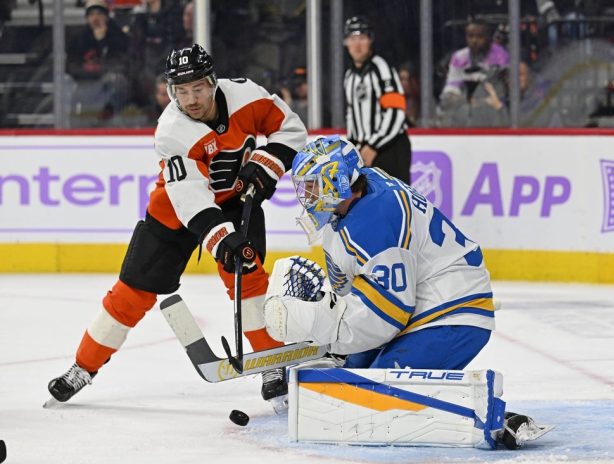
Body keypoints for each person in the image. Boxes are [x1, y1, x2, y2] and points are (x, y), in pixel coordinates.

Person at [48, 44, 308, 410]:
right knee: (131, 294)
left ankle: (270, 364)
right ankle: (82, 367)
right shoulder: (172, 130)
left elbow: (291, 128)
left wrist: (267, 164)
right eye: (181, 91)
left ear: (213, 82)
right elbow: (191, 199)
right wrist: (223, 240)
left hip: (235, 202)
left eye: (197, 88)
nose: (190, 99)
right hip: (174, 211)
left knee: (248, 279)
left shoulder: (247, 96)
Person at [264, 135, 495, 372]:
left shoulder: (375, 219)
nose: (306, 195)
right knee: (354, 371)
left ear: (337, 180)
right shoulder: (361, 192)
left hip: (451, 312)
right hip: (422, 301)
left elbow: (388, 316)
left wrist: (324, 326)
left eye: (312, 185)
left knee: (370, 387)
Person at [343, 16, 412, 184]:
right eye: (352, 38)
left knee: (393, 197)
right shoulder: (349, 75)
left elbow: (396, 112)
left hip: (390, 148)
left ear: (370, 40)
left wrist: (373, 146)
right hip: (364, 150)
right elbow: (352, 115)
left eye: (362, 38)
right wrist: (353, 147)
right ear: (346, 42)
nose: (357, 44)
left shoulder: (382, 69)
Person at [66, 0, 130, 122]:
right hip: (84, 81)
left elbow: (121, 63)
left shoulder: (118, 37)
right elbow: (71, 65)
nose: (95, 18)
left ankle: (113, 119)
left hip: (109, 83)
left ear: (106, 17)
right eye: (91, 14)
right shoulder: (78, 39)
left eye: (99, 14)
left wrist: (102, 41)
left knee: (119, 82)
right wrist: (89, 72)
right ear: (87, 18)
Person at [438, 18, 509, 127]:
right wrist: (460, 99)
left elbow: (506, 87)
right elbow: (451, 88)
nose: (474, 40)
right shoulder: (459, 57)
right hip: (467, 108)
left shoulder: (500, 55)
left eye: (479, 36)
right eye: (470, 36)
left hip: (495, 109)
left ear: (488, 37)